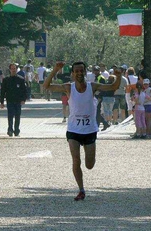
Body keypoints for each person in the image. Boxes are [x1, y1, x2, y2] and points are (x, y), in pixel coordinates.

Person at [43, 61, 121, 201]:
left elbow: (113, 86)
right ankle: (81, 189)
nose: (79, 73)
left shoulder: (93, 86)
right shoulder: (68, 87)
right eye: (76, 71)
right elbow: (46, 86)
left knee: (89, 165)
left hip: (90, 130)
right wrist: (55, 69)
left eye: (81, 71)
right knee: (75, 160)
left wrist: (118, 76)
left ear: (85, 72)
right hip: (73, 130)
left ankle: (85, 177)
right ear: (72, 73)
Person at [0, 63, 27, 137]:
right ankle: (10, 130)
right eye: (12, 69)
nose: (13, 70)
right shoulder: (6, 80)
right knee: (10, 116)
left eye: (14, 68)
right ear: (10, 70)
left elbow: (24, 91)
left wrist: (23, 99)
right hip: (10, 100)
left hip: (18, 101)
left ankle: (16, 130)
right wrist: (1, 102)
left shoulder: (21, 79)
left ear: (16, 69)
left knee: (17, 116)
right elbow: (3, 91)